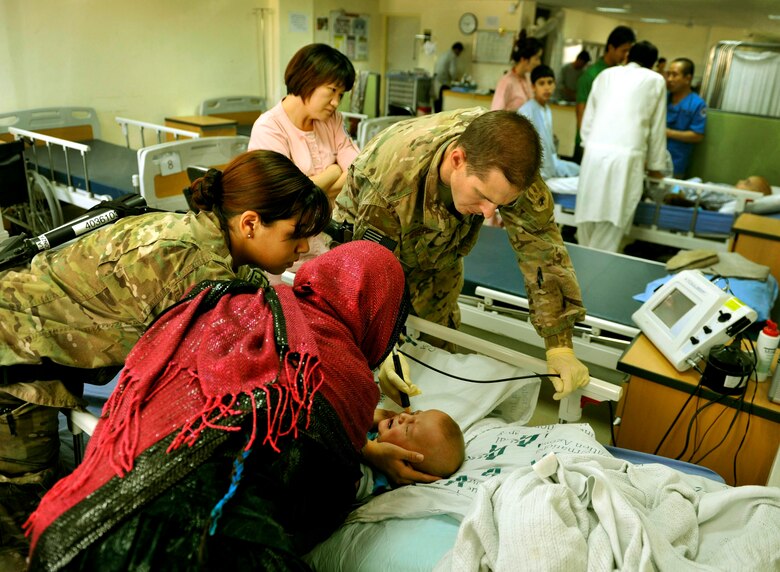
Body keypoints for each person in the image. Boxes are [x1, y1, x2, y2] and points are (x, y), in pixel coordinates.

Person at [0, 149, 330, 566]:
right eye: (294, 235)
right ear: (250, 223)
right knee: (23, 519)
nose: (303, 249)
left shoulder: (204, 235)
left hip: (31, 329)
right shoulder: (193, 266)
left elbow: (253, 295)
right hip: (13, 350)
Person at [25, 241, 431, 570]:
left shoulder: (241, 301)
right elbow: (323, 491)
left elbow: (262, 392)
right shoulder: (351, 373)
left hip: (72, 520)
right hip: (195, 547)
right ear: (376, 313)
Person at [331, 109, 590, 411]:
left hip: (440, 254)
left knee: (438, 345)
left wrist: (559, 344)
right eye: (482, 196)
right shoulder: (390, 183)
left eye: (500, 203)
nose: (490, 213)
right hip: (365, 243)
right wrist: (381, 346)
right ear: (457, 160)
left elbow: (542, 246)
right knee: (365, 359)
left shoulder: (511, 162)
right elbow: (363, 270)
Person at [575, 41, 668, 253]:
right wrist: (655, 166)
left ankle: (581, 265)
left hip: (594, 154)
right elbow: (657, 128)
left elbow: (589, 119)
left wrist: (588, 145)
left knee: (587, 216)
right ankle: (594, 275)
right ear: (652, 64)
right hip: (627, 158)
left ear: (627, 56)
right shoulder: (655, 80)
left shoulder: (606, 75)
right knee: (612, 219)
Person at [249, 43, 359, 202]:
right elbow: (286, 195)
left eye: (341, 95)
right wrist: (334, 171)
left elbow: (357, 173)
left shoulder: (333, 119)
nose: (336, 102)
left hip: (334, 220)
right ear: (307, 79)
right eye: (333, 90)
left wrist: (312, 189)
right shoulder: (269, 128)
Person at [358, 408, 465, 501]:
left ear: (405, 465)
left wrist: (362, 417)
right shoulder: (376, 430)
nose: (404, 415)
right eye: (414, 414)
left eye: (407, 429)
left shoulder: (366, 478)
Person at [574, 25, 636, 163]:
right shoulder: (591, 75)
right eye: (623, 50)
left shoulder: (623, 74)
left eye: (629, 51)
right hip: (588, 144)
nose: (626, 55)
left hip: (610, 145)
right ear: (611, 47)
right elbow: (581, 113)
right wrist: (587, 144)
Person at [519, 65, 580, 179]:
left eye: (550, 82)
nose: (547, 87)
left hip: (550, 163)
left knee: (579, 170)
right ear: (533, 87)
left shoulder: (547, 110)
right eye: (541, 83)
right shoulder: (526, 111)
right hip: (535, 171)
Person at [665, 57, 706, 178]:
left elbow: (697, 135)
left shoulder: (697, 104)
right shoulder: (663, 98)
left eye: (675, 75)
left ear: (687, 78)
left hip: (676, 163)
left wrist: (667, 133)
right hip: (653, 160)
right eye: (669, 74)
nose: (670, 79)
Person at [490, 32, 543, 112]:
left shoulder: (528, 79)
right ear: (524, 59)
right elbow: (495, 113)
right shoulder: (506, 82)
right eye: (537, 58)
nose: (539, 63)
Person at [433, 42, 464, 113]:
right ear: (457, 50)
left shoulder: (445, 53)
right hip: (444, 81)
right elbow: (453, 71)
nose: (459, 54)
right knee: (442, 102)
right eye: (460, 52)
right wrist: (456, 80)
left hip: (437, 80)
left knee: (437, 100)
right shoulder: (452, 56)